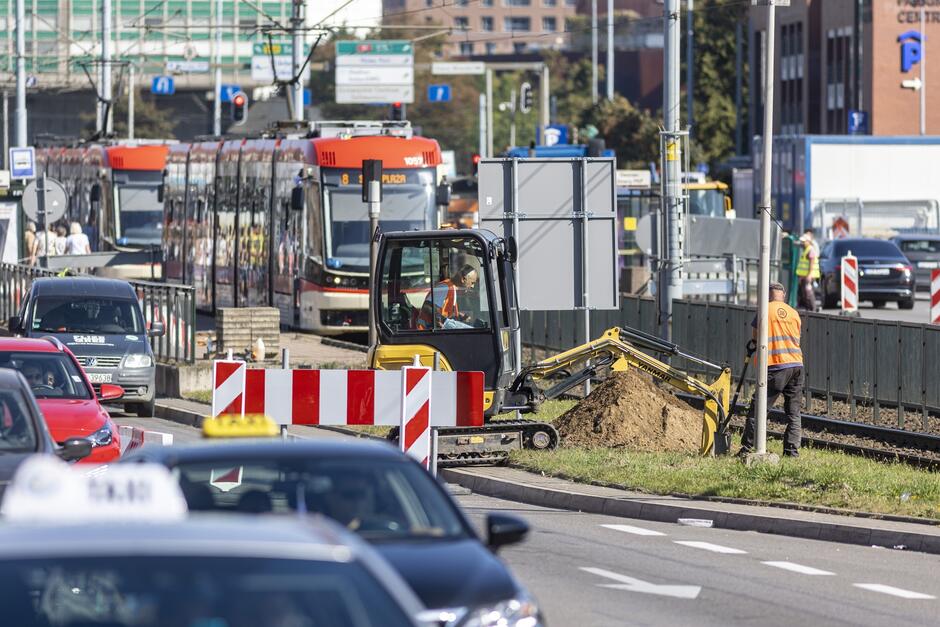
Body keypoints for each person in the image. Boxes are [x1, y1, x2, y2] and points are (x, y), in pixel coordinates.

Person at [740, 282, 804, 458]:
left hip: (776, 366)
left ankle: (747, 448)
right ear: (783, 295)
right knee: (794, 412)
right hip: (797, 365)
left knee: (758, 408)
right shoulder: (794, 313)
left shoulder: (764, 310)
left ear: (768, 295)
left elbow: (756, 336)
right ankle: (791, 452)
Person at [415, 264, 478, 330]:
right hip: (427, 331)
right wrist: (442, 320)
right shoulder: (445, 287)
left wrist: (459, 316)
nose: (472, 286)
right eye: (472, 282)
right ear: (463, 279)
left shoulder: (451, 288)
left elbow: (443, 311)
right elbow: (427, 306)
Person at [795, 229, 820, 311]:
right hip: (805, 276)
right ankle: (808, 308)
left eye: (804, 241)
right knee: (805, 293)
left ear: (808, 241)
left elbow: (811, 263)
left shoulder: (810, 249)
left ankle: (812, 308)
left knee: (808, 292)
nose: (803, 243)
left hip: (809, 276)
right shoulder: (806, 249)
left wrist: (809, 275)